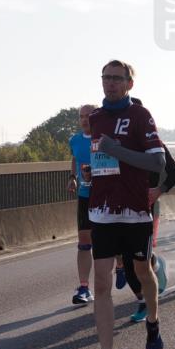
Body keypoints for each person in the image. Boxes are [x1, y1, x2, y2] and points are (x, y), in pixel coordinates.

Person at [84, 60, 166, 349]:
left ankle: (153, 322)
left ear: (129, 83)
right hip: (102, 211)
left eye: (117, 78)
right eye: (106, 77)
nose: (110, 83)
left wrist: (117, 152)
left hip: (135, 212)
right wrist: (92, 171)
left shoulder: (140, 115)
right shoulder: (96, 118)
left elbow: (157, 161)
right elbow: (101, 157)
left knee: (142, 271)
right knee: (102, 283)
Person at [123, 111, 175, 322]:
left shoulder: (157, 146)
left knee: (134, 261)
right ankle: (152, 272)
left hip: (147, 209)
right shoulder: (122, 148)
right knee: (126, 259)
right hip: (122, 209)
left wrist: (158, 190)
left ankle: (144, 302)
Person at [68, 104, 97, 304]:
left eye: (88, 116)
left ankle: (122, 265)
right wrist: (73, 177)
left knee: (111, 241)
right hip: (85, 195)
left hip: (107, 196)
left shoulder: (105, 138)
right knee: (84, 242)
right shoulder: (75, 140)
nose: (85, 119)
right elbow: (75, 159)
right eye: (81, 116)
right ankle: (84, 288)